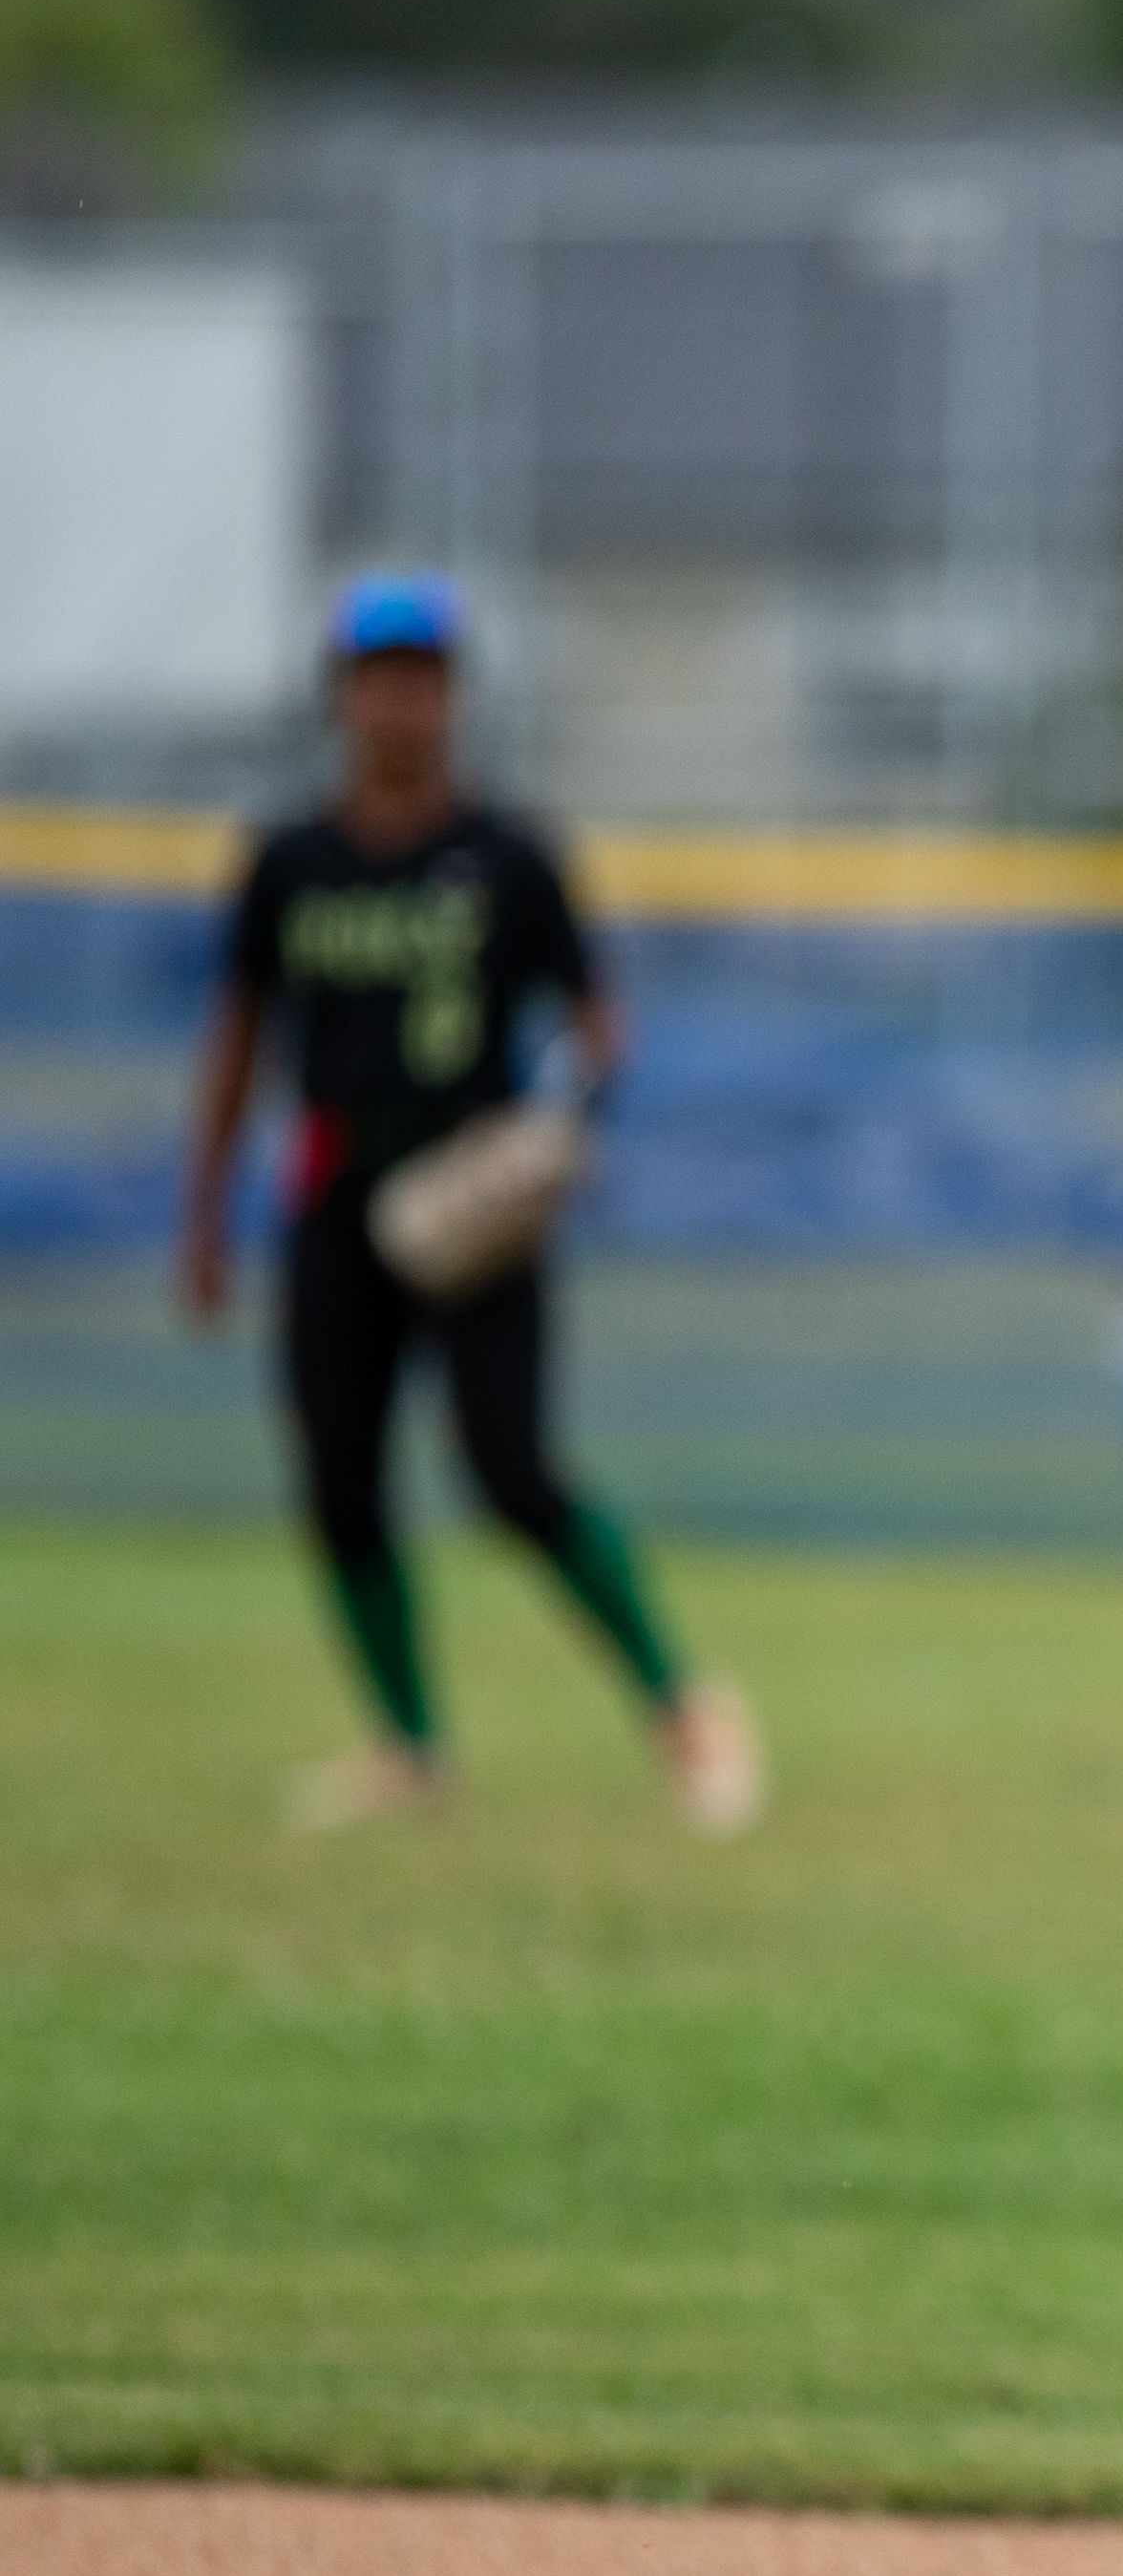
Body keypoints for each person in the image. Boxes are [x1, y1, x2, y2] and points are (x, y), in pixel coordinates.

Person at [174, 572, 762, 1834]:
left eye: (423, 678)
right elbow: (239, 1038)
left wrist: (562, 1117)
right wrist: (206, 1213)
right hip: (338, 1193)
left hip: (476, 1193)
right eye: (378, 678)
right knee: (340, 1479)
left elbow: (596, 1020)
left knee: (511, 1474)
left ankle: (683, 1706)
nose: (401, 701)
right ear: (342, 698)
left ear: (454, 696)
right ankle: (409, 1747)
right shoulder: (292, 859)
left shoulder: (507, 853)